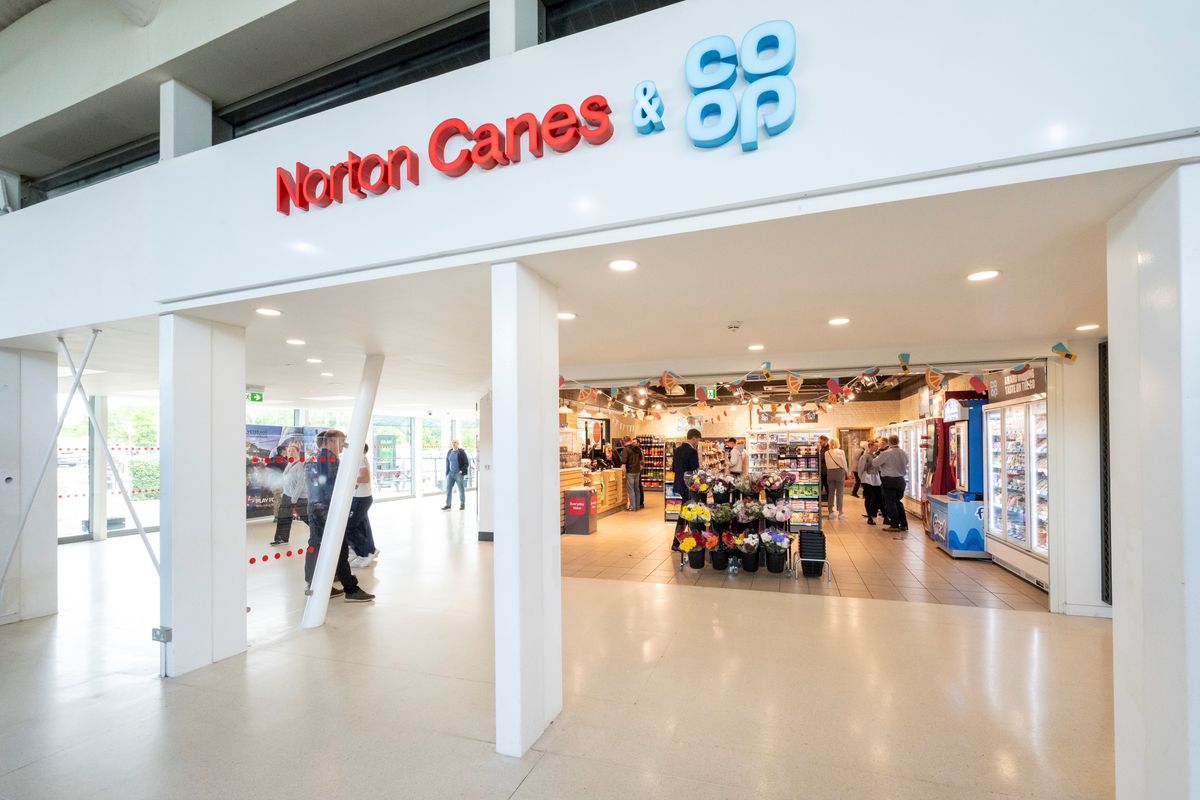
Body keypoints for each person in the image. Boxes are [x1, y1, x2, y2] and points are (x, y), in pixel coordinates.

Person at [304, 429, 375, 603]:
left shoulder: (314, 457)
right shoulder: (328, 459)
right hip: (327, 509)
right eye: (342, 441)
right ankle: (350, 589)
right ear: (332, 441)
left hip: (315, 508)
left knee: (317, 546)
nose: (344, 445)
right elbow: (330, 485)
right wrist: (348, 488)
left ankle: (316, 584)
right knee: (339, 548)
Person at [347, 443, 379, 568]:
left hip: (361, 498)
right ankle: (366, 551)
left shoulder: (359, 457)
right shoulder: (361, 457)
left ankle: (366, 551)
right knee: (362, 526)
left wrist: (349, 478)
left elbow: (364, 478)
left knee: (349, 527)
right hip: (361, 497)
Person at [270, 441, 308, 546]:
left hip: (298, 497)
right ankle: (281, 539)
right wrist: (284, 493)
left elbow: (301, 483)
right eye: (289, 451)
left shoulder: (300, 464)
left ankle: (322, 533)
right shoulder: (289, 463)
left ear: (298, 452)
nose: (290, 453)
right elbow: (286, 479)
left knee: (307, 517)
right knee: (283, 517)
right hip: (287, 495)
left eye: (293, 451)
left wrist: (295, 498)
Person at [872, 434, 910, 536]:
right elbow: (906, 463)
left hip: (889, 480)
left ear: (889, 442)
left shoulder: (886, 453)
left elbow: (875, 463)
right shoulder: (903, 453)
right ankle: (904, 524)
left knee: (890, 503)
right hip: (901, 480)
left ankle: (894, 525)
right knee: (897, 502)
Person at [670, 429, 702, 548]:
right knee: (685, 513)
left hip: (679, 484)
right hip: (689, 486)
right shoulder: (692, 451)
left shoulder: (677, 450)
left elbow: (673, 468)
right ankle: (677, 541)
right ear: (694, 438)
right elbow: (695, 470)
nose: (698, 442)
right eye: (698, 439)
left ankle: (684, 538)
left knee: (686, 510)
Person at [857, 440, 883, 525]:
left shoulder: (876, 456)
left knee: (878, 497)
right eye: (875, 446)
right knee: (869, 497)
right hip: (867, 478)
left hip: (875, 477)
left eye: (877, 446)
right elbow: (860, 468)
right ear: (870, 446)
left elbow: (879, 468)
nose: (877, 447)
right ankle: (869, 517)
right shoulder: (865, 457)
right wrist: (861, 479)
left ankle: (884, 516)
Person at [824, 438, 849, 519]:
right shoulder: (841, 452)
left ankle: (830, 512)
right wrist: (847, 472)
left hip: (830, 472)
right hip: (839, 472)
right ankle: (840, 513)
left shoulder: (826, 453)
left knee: (830, 493)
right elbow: (844, 463)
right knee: (840, 493)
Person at [442, 439, 469, 510]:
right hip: (450, 474)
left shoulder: (461, 452)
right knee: (448, 489)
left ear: (458, 444)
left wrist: (461, 471)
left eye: (455, 442)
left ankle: (462, 504)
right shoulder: (449, 452)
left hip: (458, 474)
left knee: (461, 489)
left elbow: (466, 463)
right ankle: (448, 504)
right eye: (452, 442)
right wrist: (447, 473)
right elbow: (447, 462)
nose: (454, 444)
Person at [621, 436, 644, 511]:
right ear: (630, 440)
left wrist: (624, 473)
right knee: (636, 489)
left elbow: (624, 463)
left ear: (624, 441)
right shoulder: (637, 448)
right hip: (637, 471)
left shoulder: (626, 450)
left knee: (631, 490)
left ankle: (632, 507)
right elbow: (641, 460)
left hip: (630, 471)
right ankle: (637, 506)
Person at [818, 434, 830, 502]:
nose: (819, 443)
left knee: (828, 488)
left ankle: (830, 503)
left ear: (826, 441)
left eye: (821, 442)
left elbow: (823, 458)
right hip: (821, 471)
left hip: (826, 472)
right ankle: (820, 502)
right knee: (821, 487)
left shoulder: (828, 449)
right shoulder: (822, 448)